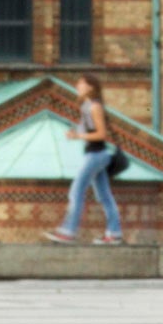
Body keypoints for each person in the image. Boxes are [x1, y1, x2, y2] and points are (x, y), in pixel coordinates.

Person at [45, 73, 123, 245]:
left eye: (81, 83)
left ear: (91, 87)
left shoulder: (95, 106)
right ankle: (114, 233)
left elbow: (102, 134)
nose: (77, 86)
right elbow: (88, 132)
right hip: (94, 154)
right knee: (104, 196)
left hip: (97, 155)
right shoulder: (86, 106)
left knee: (76, 191)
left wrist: (79, 135)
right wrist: (76, 134)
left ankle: (68, 231)